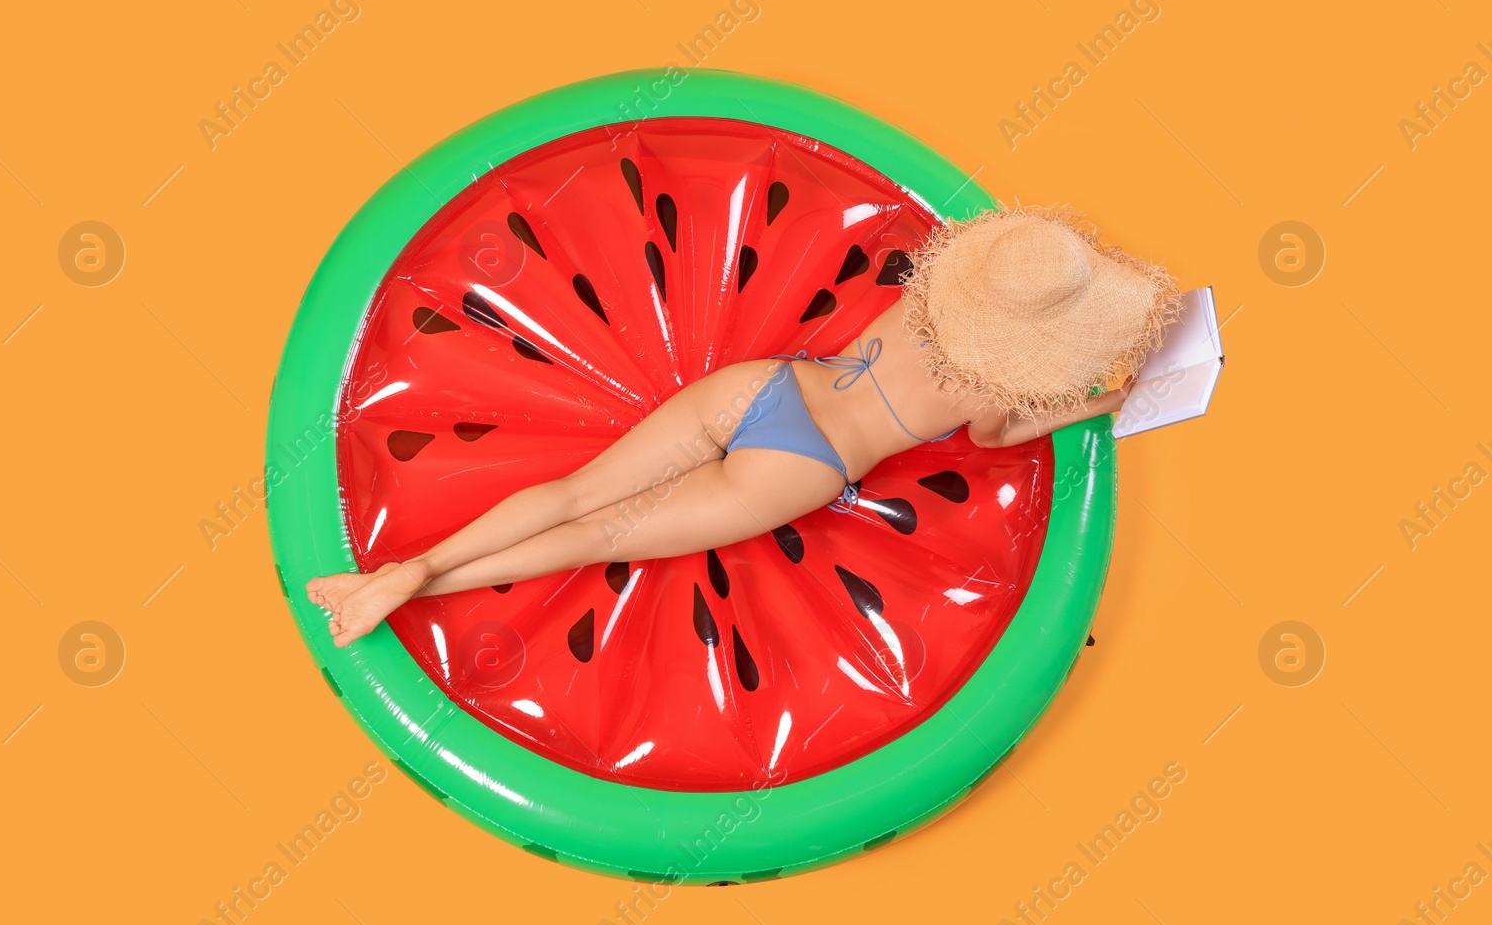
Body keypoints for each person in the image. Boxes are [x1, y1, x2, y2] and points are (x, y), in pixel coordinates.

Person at [308, 205, 1182, 646]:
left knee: (576, 493)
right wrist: (1096, 398)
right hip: (804, 463)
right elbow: (993, 441)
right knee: (590, 539)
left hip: (769, 386)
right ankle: (411, 590)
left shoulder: (932, 290)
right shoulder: (993, 387)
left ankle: (409, 566)